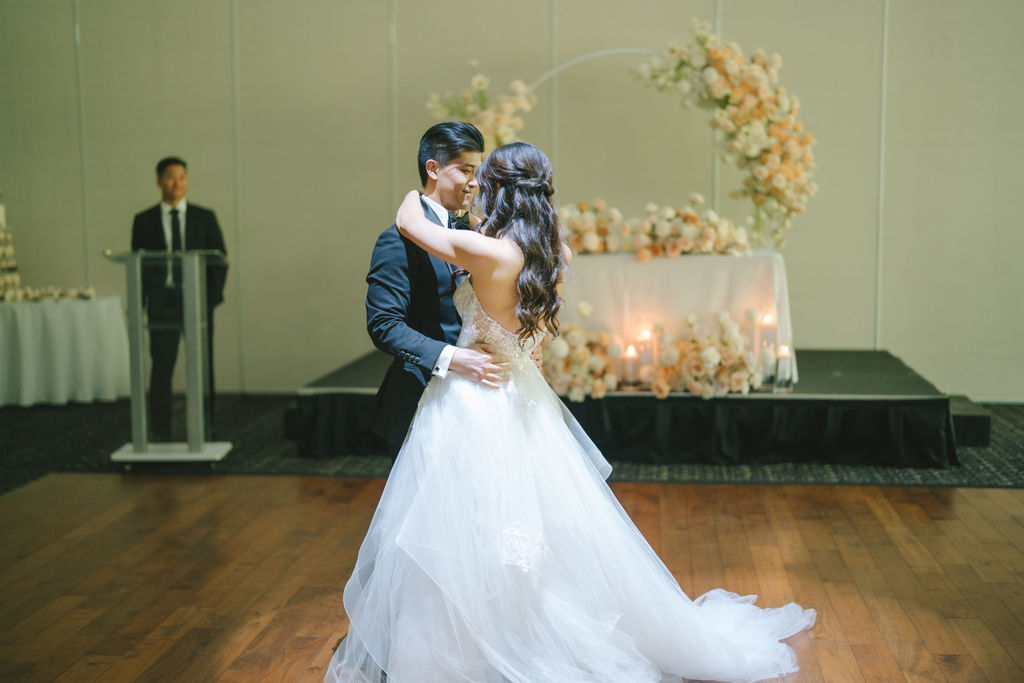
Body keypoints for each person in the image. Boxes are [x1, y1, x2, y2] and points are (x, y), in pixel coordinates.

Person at [325, 142, 815, 683]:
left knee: (457, 526)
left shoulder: (484, 251)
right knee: (532, 524)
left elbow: (410, 223)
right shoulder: (555, 252)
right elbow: (530, 338)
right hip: (524, 393)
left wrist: (416, 191)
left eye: (483, 180)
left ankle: (466, 650)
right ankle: (510, 631)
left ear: (498, 190)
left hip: (475, 398)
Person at [366, 122, 507, 457]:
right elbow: (384, 324)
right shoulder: (398, 239)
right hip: (422, 398)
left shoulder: (478, 232)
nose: (475, 183)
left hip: (481, 400)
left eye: (478, 172)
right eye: (465, 171)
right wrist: (455, 358)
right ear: (433, 169)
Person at [131, 157, 227, 440]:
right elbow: (139, 266)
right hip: (163, 303)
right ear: (159, 181)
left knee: (202, 365)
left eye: (182, 176)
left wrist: (209, 299)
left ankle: (206, 426)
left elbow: (220, 260)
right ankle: (160, 430)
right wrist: (141, 302)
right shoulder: (144, 220)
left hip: (197, 302)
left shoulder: (204, 217)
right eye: (171, 177)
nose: (177, 183)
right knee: (162, 366)